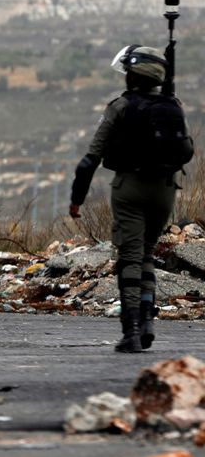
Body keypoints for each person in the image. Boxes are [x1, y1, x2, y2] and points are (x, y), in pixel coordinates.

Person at [69, 45, 194, 352]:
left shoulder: (120, 106)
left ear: (133, 76)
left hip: (130, 188)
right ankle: (148, 320)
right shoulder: (173, 105)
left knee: (129, 256)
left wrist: (77, 199)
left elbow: (90, 159)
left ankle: (131, 330)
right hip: (165, 190)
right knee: (147, 253)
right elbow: (187, 149)